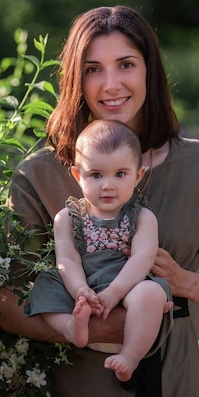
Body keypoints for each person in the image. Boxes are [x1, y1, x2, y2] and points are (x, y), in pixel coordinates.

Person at [0, 5, 199, 397]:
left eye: (126, 64)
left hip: (166, 384)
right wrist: (92, 329)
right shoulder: (39, 175)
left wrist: (184, 283)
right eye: (93, 69)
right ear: (75, 79)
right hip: (65, 392)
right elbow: (6, 304)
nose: (111, 84)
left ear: (150, 71)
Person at [24, 119, 173, 382]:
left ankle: (129, 356)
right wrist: (80, 290)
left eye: (120, 174)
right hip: (82, 287)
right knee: (45, 284)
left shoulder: (142, 217)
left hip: (125, 283)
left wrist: (115, 292)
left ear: (138, 175)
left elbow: (142, 258)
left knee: (150, 292)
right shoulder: (67, 218)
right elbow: (67, 260)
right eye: (96, 175)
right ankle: (71, 328)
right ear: (77, 176)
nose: (108, 185)